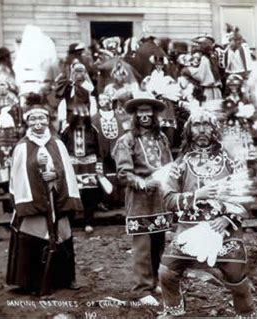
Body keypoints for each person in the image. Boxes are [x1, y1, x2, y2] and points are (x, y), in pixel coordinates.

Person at [159, 109, 254, 316]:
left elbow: (246, 195)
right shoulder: (180, 164)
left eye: (207, 124)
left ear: (214, 129)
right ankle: (174, 310)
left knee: (237, 275)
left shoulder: (231, 161)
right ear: (189, 130)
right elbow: (168, 199)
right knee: (166, 272)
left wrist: (227, 218)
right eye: (197, 125)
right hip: (189, 230)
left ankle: (245, 313)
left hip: (224, 231)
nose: (202, 129)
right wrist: (197, 195)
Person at [6, 94, 83, 295]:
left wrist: (55, 175)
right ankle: (33, 281)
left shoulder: (57, 144)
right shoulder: (22, 147)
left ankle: (66, 278)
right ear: (27, 122)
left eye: (42, 118)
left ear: (48, 120)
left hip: (57, 198)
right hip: (36, 203)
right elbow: (18, 176)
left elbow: (65, 170)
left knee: (63, 234)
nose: (38, 123)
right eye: (33, 119)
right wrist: (39, 176)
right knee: (35, 234)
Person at [112, 91, 173, 306]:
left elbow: (169, 165)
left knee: (158, 241)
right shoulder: (126, 140)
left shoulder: (162, 138)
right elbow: (123, 172)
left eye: (148, 110)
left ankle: (154, 280)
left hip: (160, 197)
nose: (145, 115)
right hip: (139, 197)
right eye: (140, 111)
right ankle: (141, 288)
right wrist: (142, 182)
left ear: (155, 114)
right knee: (142, 244)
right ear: (135, 115)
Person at [60, 97, 102, 234]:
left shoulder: (93, 130)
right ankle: (71, 221)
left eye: (84, 116)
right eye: (78, 116)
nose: (81, 119)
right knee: (72, 192)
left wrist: (98, 166)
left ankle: (88, 222)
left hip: (89, 165)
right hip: (73, 166)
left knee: (89, 195)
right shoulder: (67, 131)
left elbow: (98, 149)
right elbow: (62, 149)